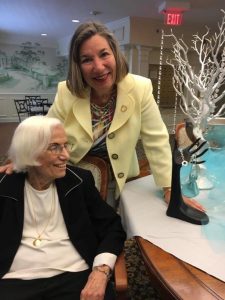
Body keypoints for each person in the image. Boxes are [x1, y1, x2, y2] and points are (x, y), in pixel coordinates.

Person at [0, 21, 204, 211]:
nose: (98, 67)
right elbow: (43, 131)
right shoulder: (67, 91)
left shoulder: (140, 88)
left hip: (121, 173)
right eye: (87, 59)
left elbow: (156, 140)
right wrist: (19, 159)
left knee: (113, 224)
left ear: (115, 54)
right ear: (77, 66)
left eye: (104, 54)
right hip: (76, 173)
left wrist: (169, 189)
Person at [0, 116, 126, 300]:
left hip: (76, 275)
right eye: (54, 147)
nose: (66, 155)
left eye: (66, 145)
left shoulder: (79, 181)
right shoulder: (5, 186)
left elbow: (112, 227)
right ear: (30, 152)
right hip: (14, 279)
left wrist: (101, 272)